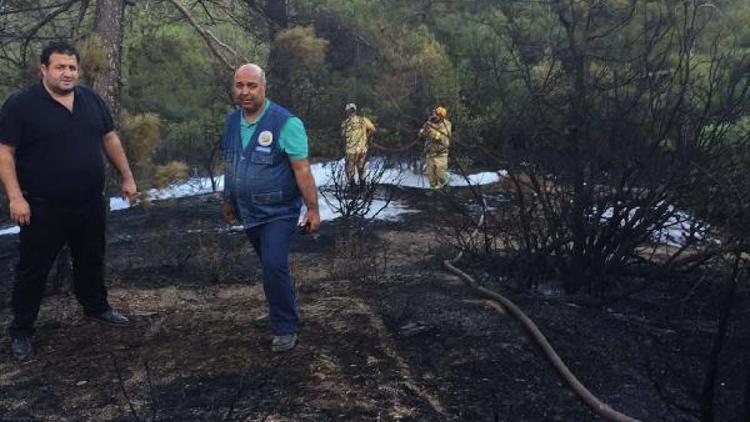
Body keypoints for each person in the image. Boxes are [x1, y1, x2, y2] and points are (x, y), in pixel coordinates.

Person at [0, 41, 138, 359]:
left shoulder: (90, 99)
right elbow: (5, 151)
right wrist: (15, 197)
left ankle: (96, 307)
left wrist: (128, 177)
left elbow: (110, 137)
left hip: (89, 201)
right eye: (60, 67)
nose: (67, 73)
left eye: (72, 67)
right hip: (42, 205)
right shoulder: (22, 105)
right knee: (33, 270)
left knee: (91, 258)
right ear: (44, 70)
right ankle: (22, 330)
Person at [222, 63, 320, 352]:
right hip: (248, 211)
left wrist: (313, 209)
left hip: (280, 210)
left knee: (275, 264)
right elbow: (231, 162)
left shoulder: (286, 123)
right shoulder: (231, 122)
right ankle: (280, 308)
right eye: (240, 86)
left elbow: (302, 170)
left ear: (264, 87)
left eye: (251, 86)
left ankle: (285, 327)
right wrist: (228, 199)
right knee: (270, 266)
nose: (245, 92)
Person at [340, 103, 375, 185]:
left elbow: (343, 136)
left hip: (351, 151)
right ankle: (363, 188)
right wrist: (366, 137)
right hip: (362, 149)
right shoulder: (364, 120)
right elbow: (373, 129)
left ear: (347, 111)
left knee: (350, 170)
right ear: (355, 111)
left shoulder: (345, 123)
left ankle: (353, 191)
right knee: (361, 169)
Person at [419, 106, 452, 190]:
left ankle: (446, 186)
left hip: (441, 154)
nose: (435, 116)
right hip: (430, 153)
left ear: (441, 116)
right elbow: (422, 134)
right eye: (434, 114)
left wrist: (432, 132)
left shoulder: (447, 124)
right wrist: (424, 130)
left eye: (437, 115)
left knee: (440, 174)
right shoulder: (429, 123)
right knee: (431, 176)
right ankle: (434, 191)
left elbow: (442, 138)